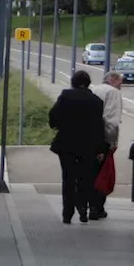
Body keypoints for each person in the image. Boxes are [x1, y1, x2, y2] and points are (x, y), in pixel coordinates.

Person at [48, 69, 106, 224]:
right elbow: (100, 126)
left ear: (73, 82)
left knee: (68, 178)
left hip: (66, 145)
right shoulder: (97, 101)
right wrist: (101, 148)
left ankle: (67, 214)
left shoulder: (66, 96)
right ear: (88, 84)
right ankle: (83, 209)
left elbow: (53, 116)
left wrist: (59, 125)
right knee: (85, 178)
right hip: (88, 146)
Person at [88, 70, 124, 220]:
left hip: (89, 138)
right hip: (103, 140)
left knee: (90, 174)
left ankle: (90, 205)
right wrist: (111, 143)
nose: (121, 86)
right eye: (120, 82)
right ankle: (97, 207)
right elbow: (112, 121)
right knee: (103, 175)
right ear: (114, 80)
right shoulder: (113, 92)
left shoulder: (94, 89)